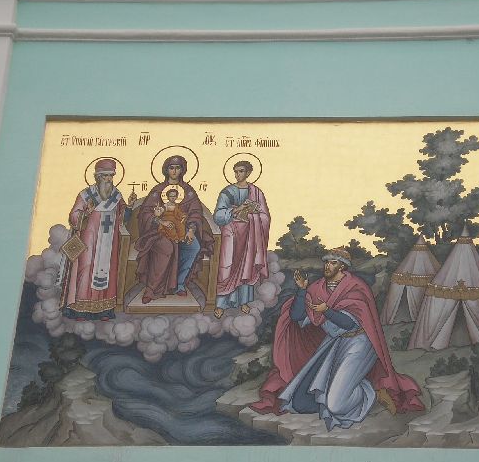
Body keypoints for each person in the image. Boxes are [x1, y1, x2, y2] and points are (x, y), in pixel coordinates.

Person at [250, 247, 424, 430]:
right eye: (326, 262)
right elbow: (296, 316)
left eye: (333, 263)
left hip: (359, 343)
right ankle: (345, 386)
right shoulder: (317, 288)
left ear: (342, 266)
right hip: (334, 343)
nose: (327, 266)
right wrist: (302, 291)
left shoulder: (355, 287)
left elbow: (349, 324)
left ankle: (370, 391)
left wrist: (327, 311)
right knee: (300, 401)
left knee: (335, 405)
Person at [135, 155, 214, 303]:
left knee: (194, 247)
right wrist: (159, 220)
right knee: (167, 248)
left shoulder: (188, 192)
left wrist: (191, 230)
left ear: (182, 170)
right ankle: (152, 289)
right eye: (171, 168)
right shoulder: (157, 191)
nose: (174, 171)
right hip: (159, 231)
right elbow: (145, 213)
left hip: (182, 231)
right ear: (166, 170)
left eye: (178, 168)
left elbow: (195, 213)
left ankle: (179, 283)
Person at [60, 158, 130, 321]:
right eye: (105, 176)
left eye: (111, 176)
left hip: (109, 242)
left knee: (109, 271)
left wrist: (129, 208)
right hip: (89, 240)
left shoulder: (116, 195)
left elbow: (123, 215)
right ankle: (80, 310)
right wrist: (86, 212)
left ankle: (104, 310)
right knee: (85, 270)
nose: (108, 179)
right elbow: (74, 216)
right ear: (98, 177)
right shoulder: (86, 195)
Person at [213, 160, 270, 318]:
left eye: (241, 171)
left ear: (248, 173)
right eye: (236, 171)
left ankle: (244, 301)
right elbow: (218, 215)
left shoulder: (256, 192)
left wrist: (252, 215)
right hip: (231, 234)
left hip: (251, 235)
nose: (238, 174)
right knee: (227, 267)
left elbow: (265, 217)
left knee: (247, 267)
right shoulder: (227, 191)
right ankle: (221, 304)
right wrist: (236, 210)